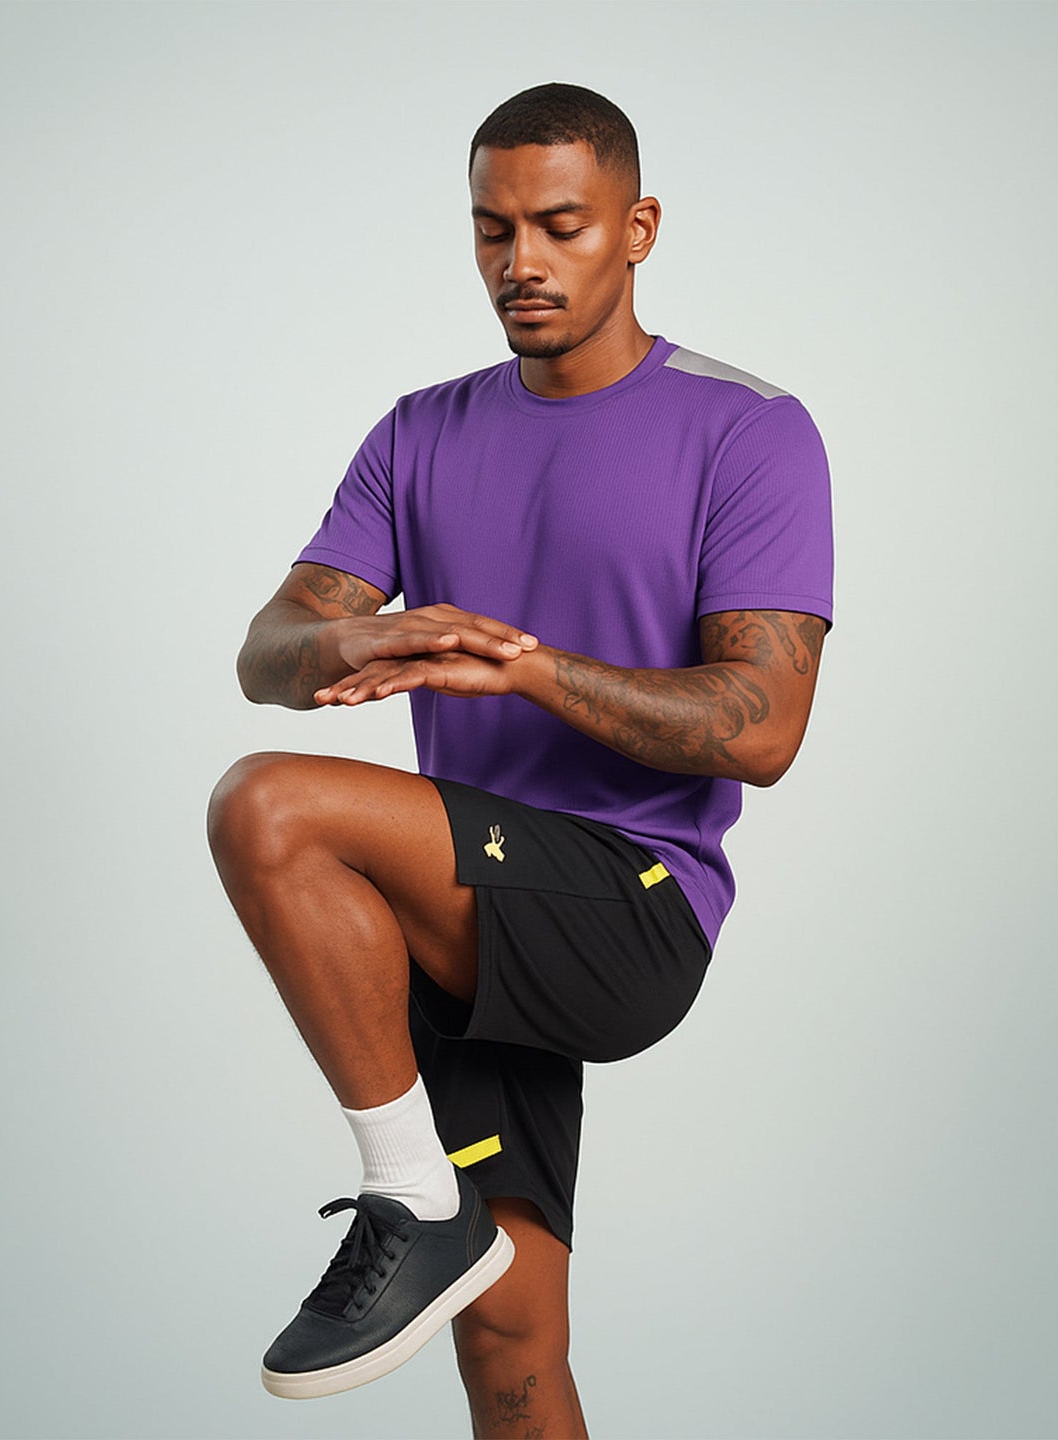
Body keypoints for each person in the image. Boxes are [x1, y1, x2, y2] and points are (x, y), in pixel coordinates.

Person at [208, 81, 833, 1439]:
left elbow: (764, 726)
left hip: (628, 908)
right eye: (494, 230)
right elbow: (268, 651)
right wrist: (357, 635)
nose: (522, 261)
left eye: (561, 225)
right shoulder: (421, 431)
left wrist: (533, 669)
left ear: (638, 228)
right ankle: (434, 1217)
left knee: (268, 807)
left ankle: (406, 1190)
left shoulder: (748, 428)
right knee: (508, 1340)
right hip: (463, 924)